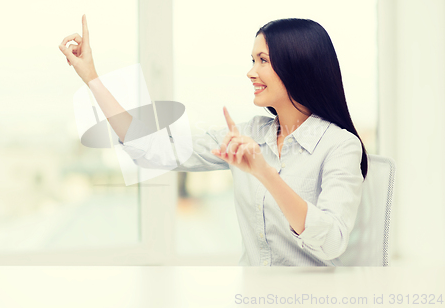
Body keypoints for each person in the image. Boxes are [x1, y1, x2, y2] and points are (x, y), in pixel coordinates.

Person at [59, 15, 368, 266]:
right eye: (252, 60)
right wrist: (92, 78)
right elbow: (151, 148)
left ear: (297, 66)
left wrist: (264, 172)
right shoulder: (249, 134)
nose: (250, 72)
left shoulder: (340, 146)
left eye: (263, 60)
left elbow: (331, 243)